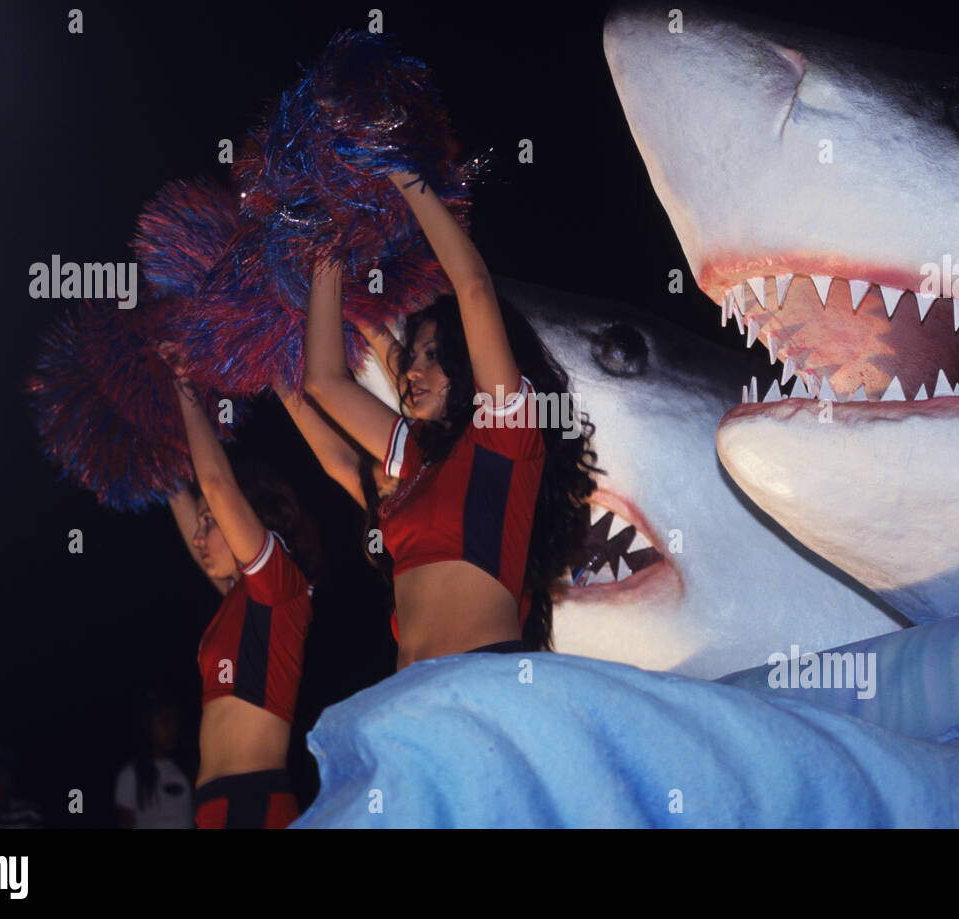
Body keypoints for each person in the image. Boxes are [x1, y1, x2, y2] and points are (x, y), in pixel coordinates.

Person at [303, 168, 600, 668]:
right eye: (412, 357)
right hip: (407, 695)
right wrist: (328, 250)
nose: (412, 371)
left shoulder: (505, 435)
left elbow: (474, 288)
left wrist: (402, 171)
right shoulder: (419, 454)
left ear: (466, 364)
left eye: (432, 356)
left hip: (479, 688)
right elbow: (323, 382)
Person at [161, 345, 320, 829]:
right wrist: (147, 442)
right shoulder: (240, 602)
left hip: (252, 803)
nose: (199, 534)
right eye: (204, 523)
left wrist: (186, 388)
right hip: (214, 807)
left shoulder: (280, 588)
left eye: (211, 523)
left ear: (250, 521)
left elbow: (216, 485)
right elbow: (186, 491)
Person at [114, 688, 193, 829]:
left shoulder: (185, 768)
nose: (171, 728)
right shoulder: (131, 774)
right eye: (164, 721)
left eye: (174, 720)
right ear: (147, 725)